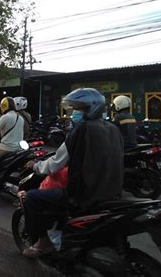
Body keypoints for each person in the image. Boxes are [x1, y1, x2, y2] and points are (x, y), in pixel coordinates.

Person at [19, 88, 124, 258]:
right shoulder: (113, 129)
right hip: (113, 192)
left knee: (32, 197)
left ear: (90, 109)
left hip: (84, 194)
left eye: (79, 109)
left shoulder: (81, 131)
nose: (75, 113)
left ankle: (44, 243)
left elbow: (54, 164)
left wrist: (35, 166)